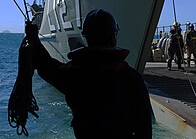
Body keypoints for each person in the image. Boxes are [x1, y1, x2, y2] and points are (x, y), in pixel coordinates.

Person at [25, 9, 152, 139]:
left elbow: (45, 65)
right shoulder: (131, 78)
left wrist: (34, 39)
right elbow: (144, 127)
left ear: (87, 37)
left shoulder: (73, 74)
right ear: (113, 37)